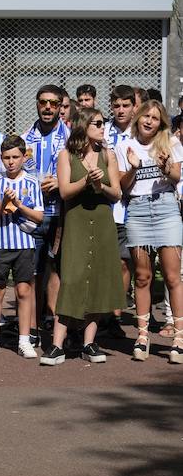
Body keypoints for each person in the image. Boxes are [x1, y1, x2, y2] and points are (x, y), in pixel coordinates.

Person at [43, 108, 125, 366]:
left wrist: (101, 186)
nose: (103, 127)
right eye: (98, 123)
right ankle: (57, 345)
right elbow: (65, 192)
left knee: (98, 280)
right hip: (76, 222)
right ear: (84, 126)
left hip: (102, 222)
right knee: (72, 279)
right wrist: (86, 181)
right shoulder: (66, 155)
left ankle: (90, 343)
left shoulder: (108, 155)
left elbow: (117, 193)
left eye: (103, 123)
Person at [117, 100, 183, 364]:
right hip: (138, 210)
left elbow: (176, 177)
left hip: (166, 208)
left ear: (161, 123)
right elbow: (122, 186)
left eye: (155, 118)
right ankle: (142, 336)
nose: (149, 121)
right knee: (142, 277)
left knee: (172, 276)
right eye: (146, 116)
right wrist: (133, 167)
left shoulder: (171, 143)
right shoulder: (125, 145)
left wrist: (166, 166)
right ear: (138, 117)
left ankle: (179, 337)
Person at [0, 135, 44, 358]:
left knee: (24, 290)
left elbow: (39, 216)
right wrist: (4, 202)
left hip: (24, 244)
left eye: (15, 157)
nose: (11, 162)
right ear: (1, 159)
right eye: (6, 158)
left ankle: (24, 340)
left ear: (23, 157)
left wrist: (19, 205)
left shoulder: (32, 182)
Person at [23, 85, 70, 347]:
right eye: (43, 102)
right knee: (33, 273)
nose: (48, 108)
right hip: (32, 216)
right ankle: (32, 327)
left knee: (61, 272)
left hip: (62, 215)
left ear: (61, 106)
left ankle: (59, 327)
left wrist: (60, 184)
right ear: (37, 104)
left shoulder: (71, 138)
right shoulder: (25, 138)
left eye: (53, 103)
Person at [102, 85, 136, 338]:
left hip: (132, 206)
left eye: (126, 105)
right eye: (116, 106)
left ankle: (115, 315)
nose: (121, 110)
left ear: (134, 107)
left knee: (125, 264)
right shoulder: (103, 130)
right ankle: (101, 314)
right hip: (105, 206)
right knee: (103, 264)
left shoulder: (141, 131)